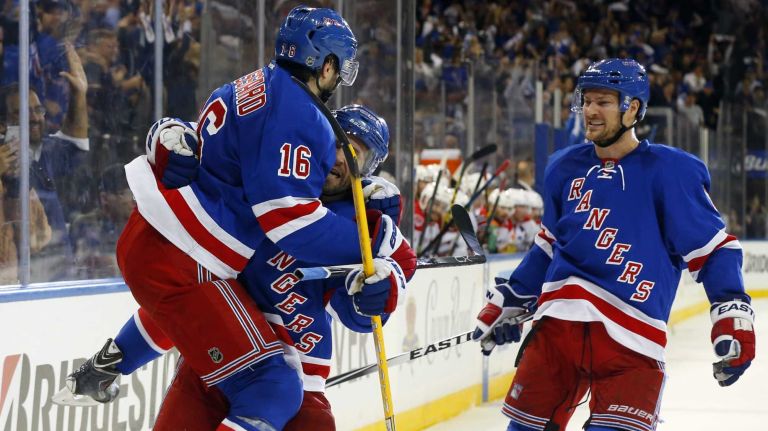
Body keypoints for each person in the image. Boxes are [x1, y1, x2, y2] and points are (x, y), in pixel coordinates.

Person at [61, 6, 411, 430]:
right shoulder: (278, 182)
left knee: (280, 386)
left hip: (299, 377)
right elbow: (191, 291)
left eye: (357, 153)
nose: (340, 159)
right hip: (229, 366)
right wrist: (167, 135)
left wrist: (384, 285)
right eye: (339, 143)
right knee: (269, 384)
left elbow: (373, 295)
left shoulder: (357, 218)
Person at [472, 58, 755, 431]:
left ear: (632, 108)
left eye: (603, 101)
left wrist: (732, 312)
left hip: (632, 338)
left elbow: (714, 249)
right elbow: (549, 244)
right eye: (586, 100)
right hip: (557, 333)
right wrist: (514, 297)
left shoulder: (671, 172)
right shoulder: (562, 167)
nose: (590, 110)